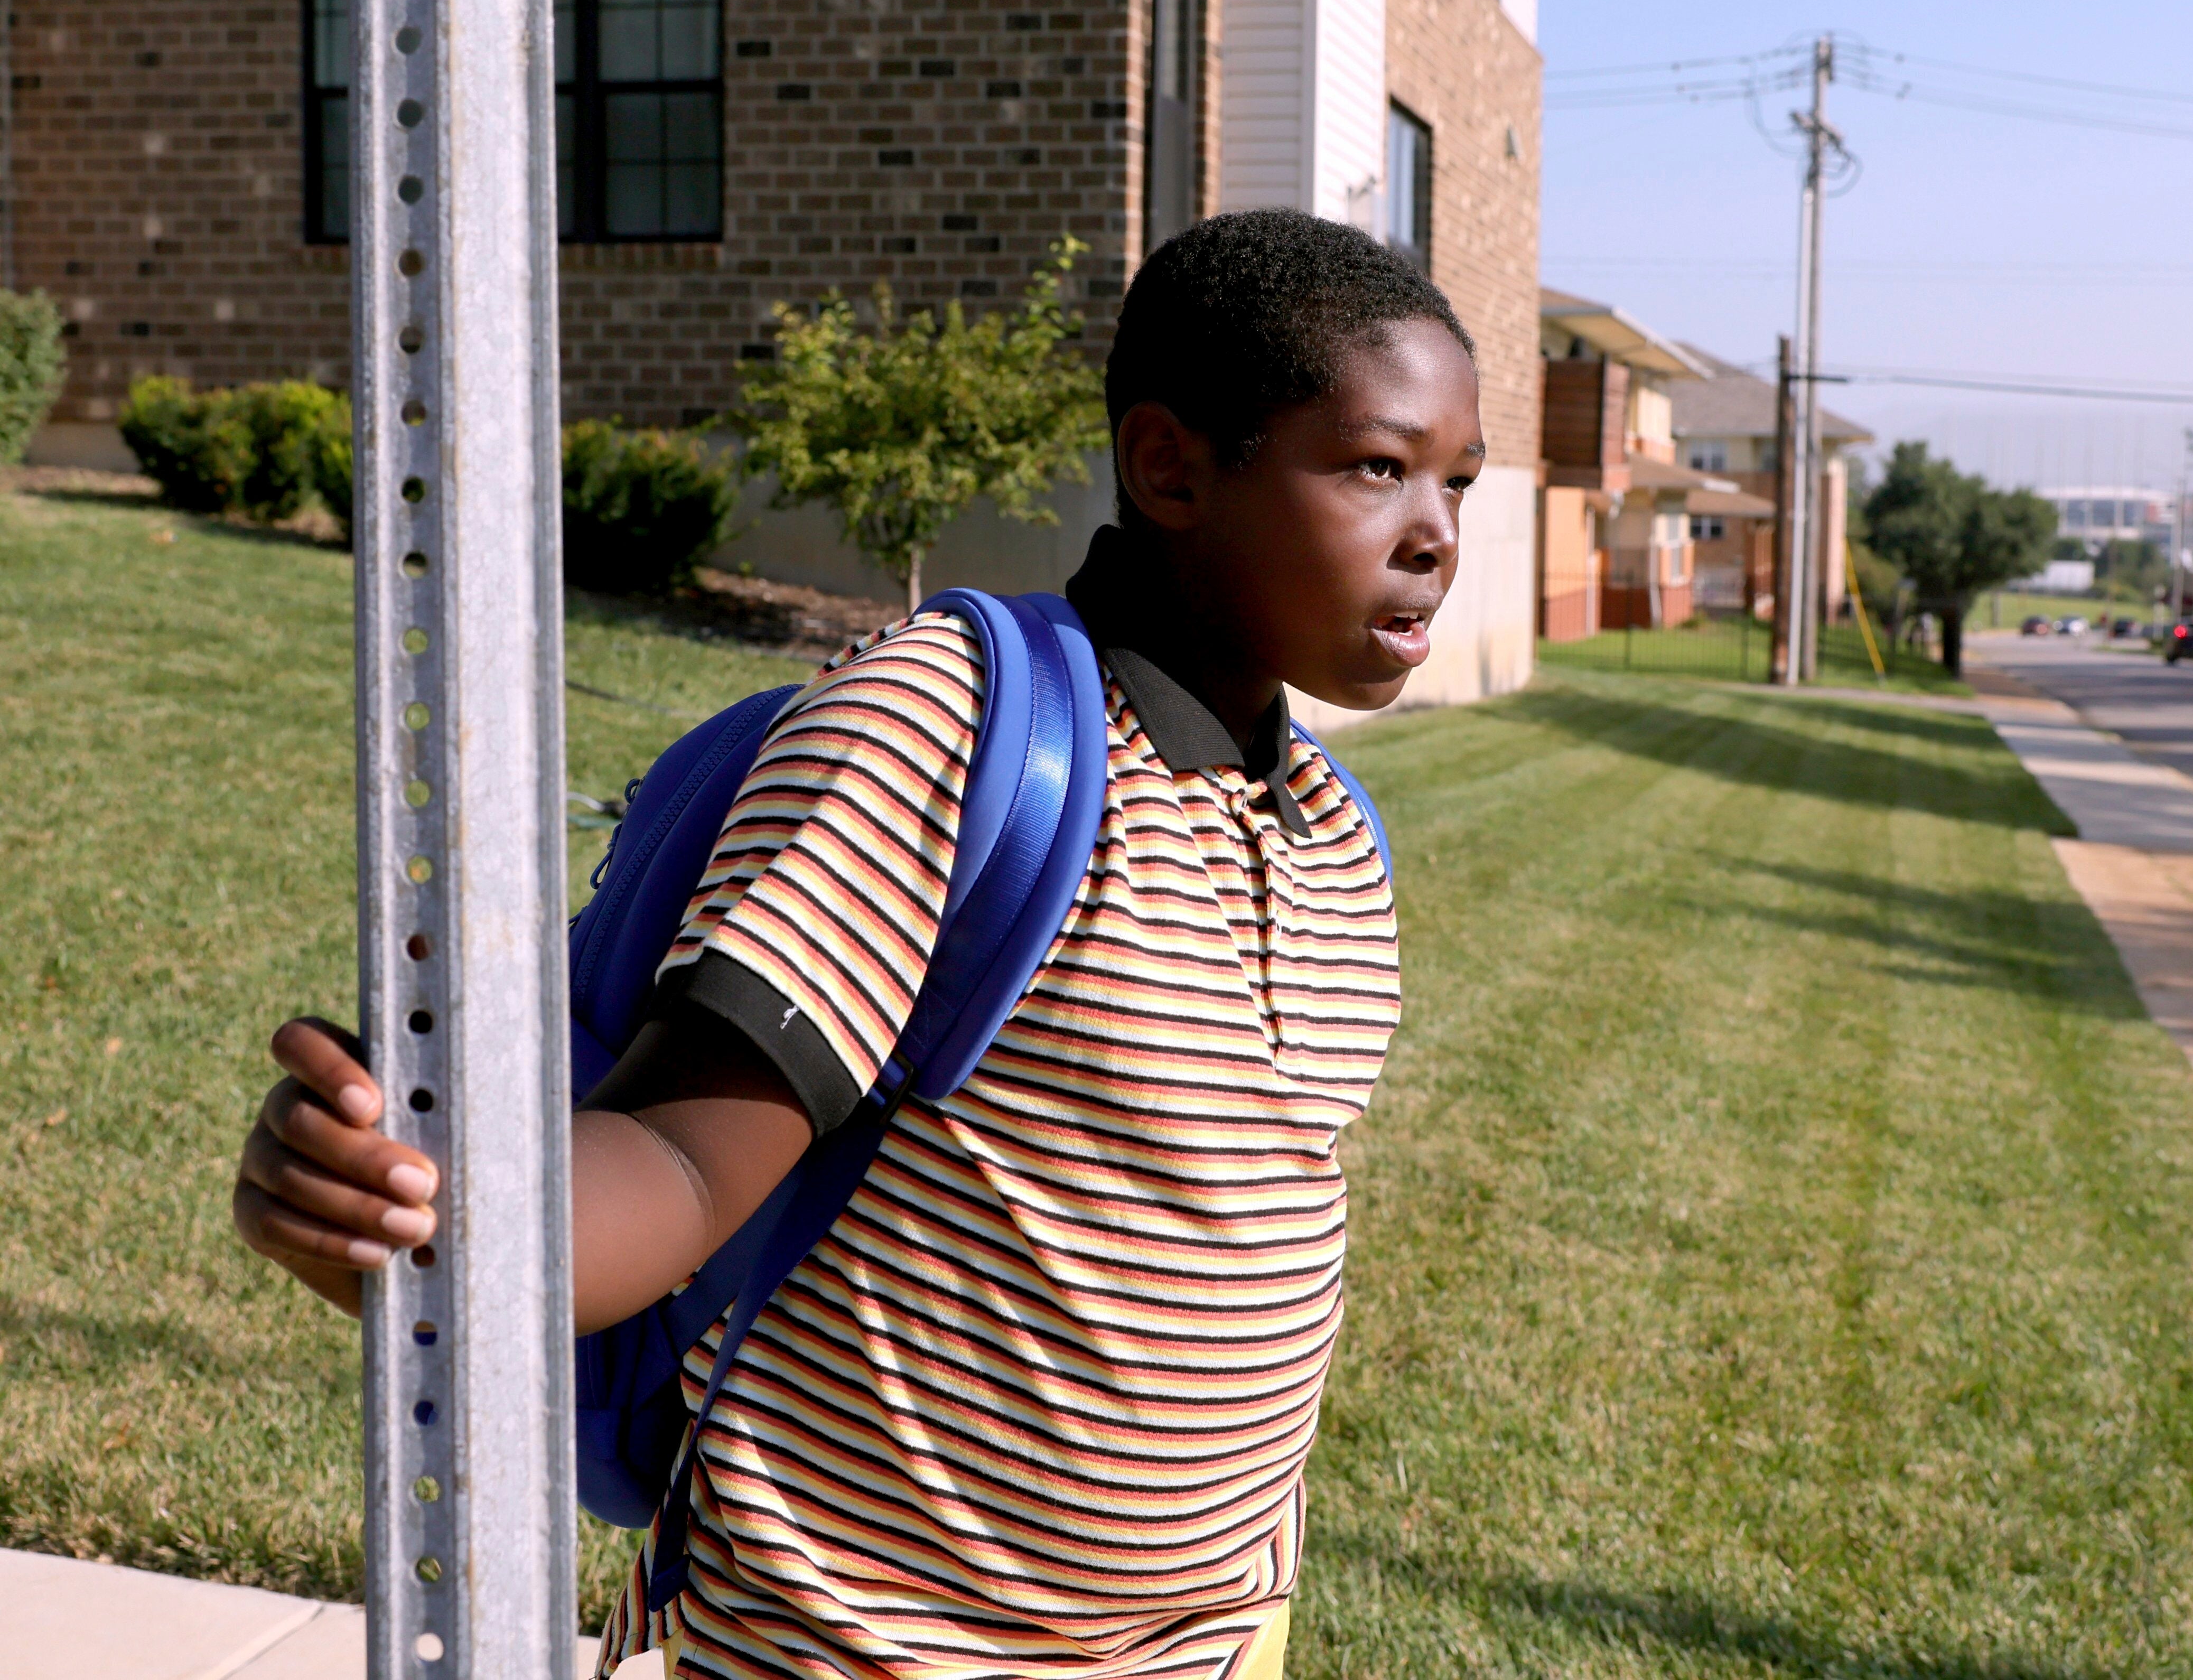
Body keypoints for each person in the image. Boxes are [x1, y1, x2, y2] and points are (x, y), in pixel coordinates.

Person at [229, 208, 1485, 1679]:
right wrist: (436, 1214)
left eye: (1459, 481)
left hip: (1210, 1647)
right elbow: (683, 1156)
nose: (1437, 535)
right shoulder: (957, 725)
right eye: (1378, 467)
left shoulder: (1333, 830)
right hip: (857, 1646)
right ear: (1170, 466)